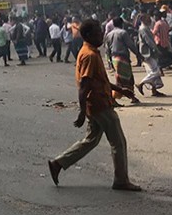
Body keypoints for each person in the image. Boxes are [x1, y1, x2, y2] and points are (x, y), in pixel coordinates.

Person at [47, 20, 141, 191]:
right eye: (98, 33)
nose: (102, 35)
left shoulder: (91, 52)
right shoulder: (89, 55)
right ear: (89, 36)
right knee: (118, 142)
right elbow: (85, 85)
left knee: (90, 140)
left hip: (97, 104)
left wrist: (120, 89)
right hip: (99, 105)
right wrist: (82, 111)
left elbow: (100, 80)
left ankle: (58, 163)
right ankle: (121, 180)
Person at [104, 17, 143, 105]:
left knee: (120, 78)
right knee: (126, 79)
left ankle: (130, 96)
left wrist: (109, 60)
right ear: (122, 24)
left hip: (114, 58)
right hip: (123, 58)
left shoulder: (109, 34)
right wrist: (138, 54)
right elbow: (130, 45)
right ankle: (115, 98)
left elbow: (107, 49)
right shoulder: (123, 33)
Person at [136, 14, 165, 97]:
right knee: (156, 71)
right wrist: (156, 49)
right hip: (147, 52)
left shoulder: (146, 28)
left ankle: (154, 91)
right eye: (148, 19)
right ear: (143, 19)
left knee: (152, 71)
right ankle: (141, 83)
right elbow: (148, 41)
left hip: (149, 52)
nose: (150, 20)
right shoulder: (143, 29)